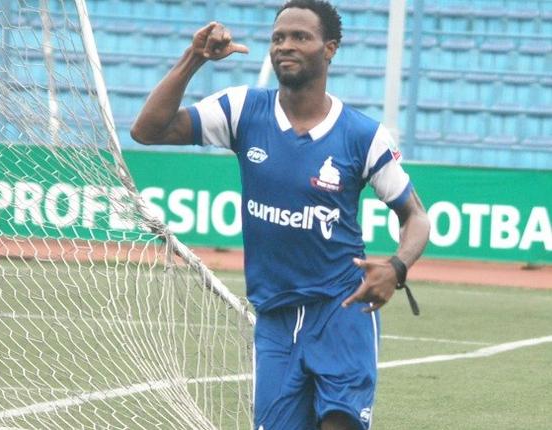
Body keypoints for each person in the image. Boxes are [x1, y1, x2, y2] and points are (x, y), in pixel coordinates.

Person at [130, 0, 431, 429]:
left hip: (341, 310)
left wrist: (397, 267)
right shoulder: (242, 110)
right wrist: (195, 57)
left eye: (300, 37)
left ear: (329, 49)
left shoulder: (362, 136)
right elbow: (147, 130)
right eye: (278, 38)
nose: (285, 46)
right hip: (274, 318)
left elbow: (416, 217)